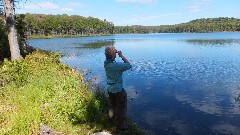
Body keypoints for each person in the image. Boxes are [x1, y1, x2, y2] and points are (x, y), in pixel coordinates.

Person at [104, 46, 132, 130]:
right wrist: (121, 56)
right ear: (113, 55)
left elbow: (110, 58)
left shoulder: (106, 63)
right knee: (121, 108)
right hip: (118, 90)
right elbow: (128, 65)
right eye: (114, 52)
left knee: (112, 106)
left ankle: (110, 121)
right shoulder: (116, 65)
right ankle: (120, 126)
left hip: (110, 89)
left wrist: (113, 52)